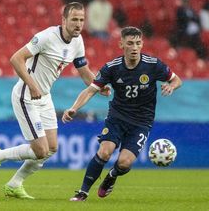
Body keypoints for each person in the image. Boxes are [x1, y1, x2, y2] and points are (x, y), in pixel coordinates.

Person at [0, 2, 110, 199]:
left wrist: (98, 85)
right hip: (26, 95)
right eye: (74, 19)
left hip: (45, 96)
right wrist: (33, 85)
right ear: (64, 20)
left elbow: (83, 71)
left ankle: (14, 184)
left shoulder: (78, 41)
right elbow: (16, 58)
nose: (78, 24)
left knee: (51, 148)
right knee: (40, 150)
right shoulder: (47, 37)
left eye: (81, 20)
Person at [62, 26, 182, 201]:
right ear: (121, 44)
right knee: (104, 152)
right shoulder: (112, 68)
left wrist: (171, 86)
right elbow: (90, 90)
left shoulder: (153, 65)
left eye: (138, 43)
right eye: (130, 43)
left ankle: (111, 176)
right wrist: (74, 108)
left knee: (124, 163)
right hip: (117, 118)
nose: (134, 47)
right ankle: (82, 192)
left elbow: (176, 79)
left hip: (142, 122)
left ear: (142, 44)